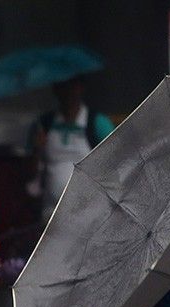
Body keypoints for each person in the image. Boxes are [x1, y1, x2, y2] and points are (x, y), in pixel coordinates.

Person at [25, 76, 115, 221]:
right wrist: (37, 149)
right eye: (63, 86)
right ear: (55, 89)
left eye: (72, 86)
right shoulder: (43, 125)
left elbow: (116, 165)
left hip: (90, 216)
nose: (68, 92)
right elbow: (29, 175)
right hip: (51, 215)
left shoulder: (98, 123)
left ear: (81, 88)